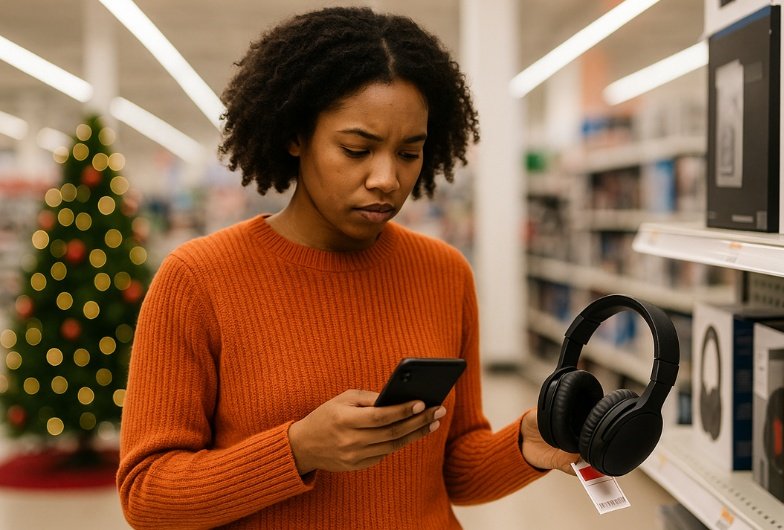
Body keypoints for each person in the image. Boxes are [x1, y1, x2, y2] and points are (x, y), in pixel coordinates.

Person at [116, 6, 578, 529]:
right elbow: (147, 495)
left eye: (409, 153)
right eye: (357, 149)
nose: (386, 178)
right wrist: (296, 451)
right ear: (296, 136)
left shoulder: (444, 272)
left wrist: (527, 445)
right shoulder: (199, 279)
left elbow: (452, 471)